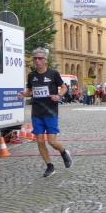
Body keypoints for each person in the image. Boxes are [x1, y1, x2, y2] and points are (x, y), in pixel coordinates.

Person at [16, 48, 73, 177]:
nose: (37, 61)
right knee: (40, 141)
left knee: (52, 142)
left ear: (45, 60)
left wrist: (59, 96)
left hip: (51, 112)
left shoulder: (53, 74)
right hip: (37, 113)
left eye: (40, 58)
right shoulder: (31, 75)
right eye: (35, 58)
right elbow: (30, 91)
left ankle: (64, 152)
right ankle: (50, 166)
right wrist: (24, 94)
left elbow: (64, 87)